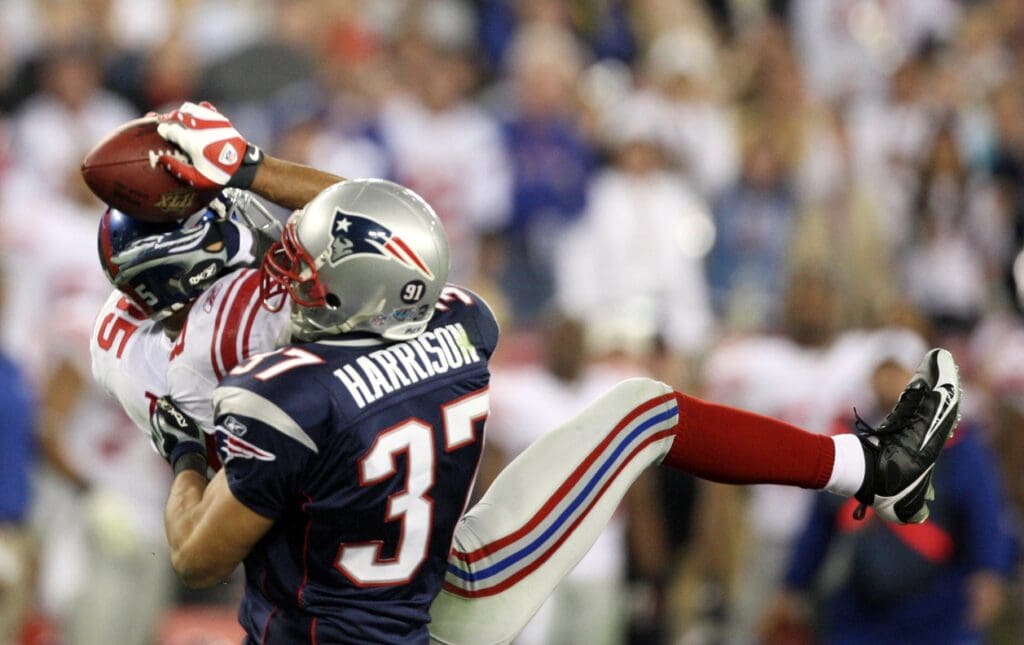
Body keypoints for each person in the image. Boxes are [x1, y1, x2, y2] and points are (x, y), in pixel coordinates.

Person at [91, 102, 963, 644]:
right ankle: (870, 467)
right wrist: (247, 168)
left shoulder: (264, 385)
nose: (282, 255)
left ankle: (876, 469)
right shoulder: (463, 322)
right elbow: (380, 222)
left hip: (372, 616)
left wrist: (184, 451)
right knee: (645, 413)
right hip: (449, 584)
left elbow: (199, 550)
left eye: (303, 265)